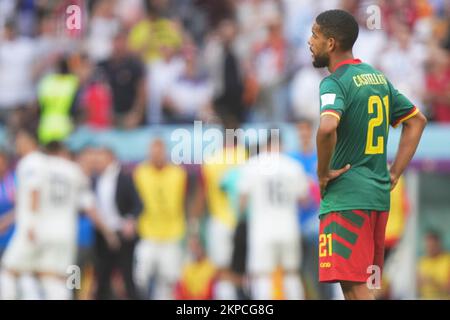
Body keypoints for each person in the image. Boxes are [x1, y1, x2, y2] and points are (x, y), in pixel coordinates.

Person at [308, 9, 427, 300]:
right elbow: (416, 121)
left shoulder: (334, 82)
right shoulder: (376, 77)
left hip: (347, 200)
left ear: (331, 43)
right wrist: (395, 171)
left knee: (356, 289)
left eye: (315, 35)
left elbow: (327, 128)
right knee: (365, 288)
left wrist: (323, 173)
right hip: (377, 199)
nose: (310, 41)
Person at [0, 133, 118, 300]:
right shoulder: (75, 173)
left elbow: (33, 197)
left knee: (67, 281)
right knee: (66, 282)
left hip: (65, 238)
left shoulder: (45, 168)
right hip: (74, 240)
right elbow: (89, 206)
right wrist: (108, 232)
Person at [238, 131, 309, 300]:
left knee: (263, 276)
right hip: (288, 228)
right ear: (281, 145)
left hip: (262, 231)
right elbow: (304, 200)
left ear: (265, 145)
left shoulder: (253, 165)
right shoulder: (293, 166)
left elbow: (241, 202)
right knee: (291, 274)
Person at [133, 138, 188, 300]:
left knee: (169, 280)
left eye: (159, 151)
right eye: (153, 152)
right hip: (148, 232)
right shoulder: (140, 173)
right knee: (140, 275)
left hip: (172, 233)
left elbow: (186, 200)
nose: (156, 155)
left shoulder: (178, 173)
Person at [92, 147, 142, 300]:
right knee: (102, 276)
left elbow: (138, 204)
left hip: (122, 233)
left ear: (110, 159)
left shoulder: (125, 178)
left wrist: (130, 220)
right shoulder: (95, 179)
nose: (97, 163)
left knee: (127, 276)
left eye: (101, 159)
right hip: (103, 234)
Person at [417, 230, 450, 299]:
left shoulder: (447, 260)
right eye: (428, 245)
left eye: (432, 245)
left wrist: (432, 282)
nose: (429, 248)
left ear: (438, 244)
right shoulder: (422, 261)